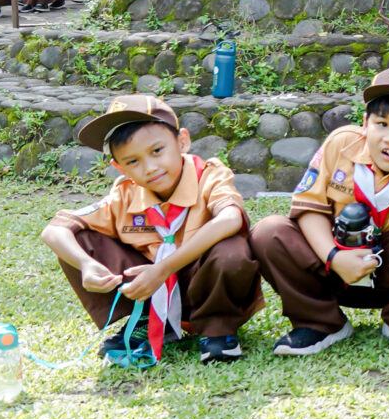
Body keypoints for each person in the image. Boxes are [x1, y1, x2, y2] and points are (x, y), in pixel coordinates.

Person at [252, 63, 389, 355]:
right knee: (269, 232)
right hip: (332, 268)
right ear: (365, 123)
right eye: (382, 123)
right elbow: (310, 208)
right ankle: (320, 322)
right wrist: (334, 257)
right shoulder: (341, 144)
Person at [44, 94, 260, 362]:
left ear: (182, 141)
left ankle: (218, 330)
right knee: (80, 240)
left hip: (206, 288)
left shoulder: (209, 176)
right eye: (132, 161)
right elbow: (54, 231)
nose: (150, 168)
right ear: (119, 167)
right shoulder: (125, 194)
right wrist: (86, 264)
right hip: (149, 289)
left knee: (231, 248)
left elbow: (230, 219)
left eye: (157, 151)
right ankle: (149, 319)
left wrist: (162, 270)